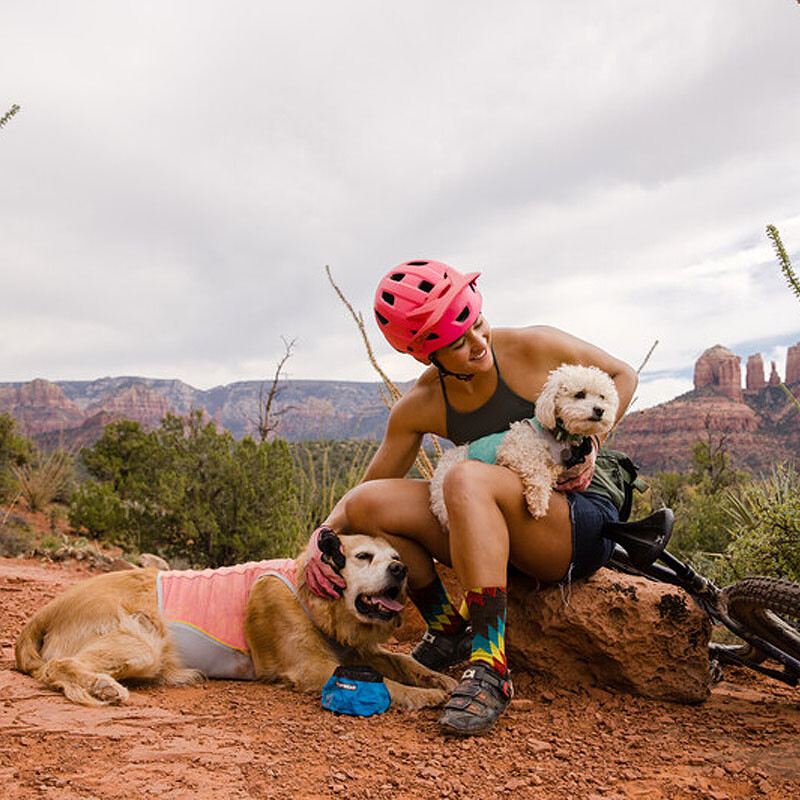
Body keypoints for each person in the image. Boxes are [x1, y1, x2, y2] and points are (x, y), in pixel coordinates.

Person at [305, 259, 637, 735]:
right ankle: (447, 630)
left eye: (477, 323)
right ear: (426, 355)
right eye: (457, 343)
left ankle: (490, 667)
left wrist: (591, 447)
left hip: (572, 516)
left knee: (465, 477)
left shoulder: (532, 346)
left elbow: (623, 375)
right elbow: (362, 496)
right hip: (500, 524)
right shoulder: (421, 404)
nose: (479, 343)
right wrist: (324, 534)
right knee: (372, 505)